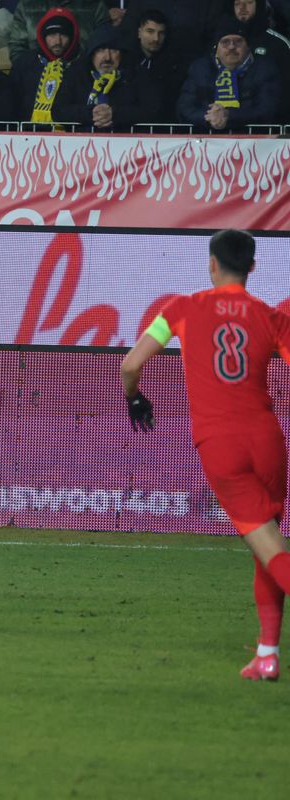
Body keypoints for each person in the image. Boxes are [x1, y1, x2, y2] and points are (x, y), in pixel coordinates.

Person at [120, 229, 290, 681]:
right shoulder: (271, 317)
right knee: (267, 548)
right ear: (251, 268)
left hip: (223, 447)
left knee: (272, 552)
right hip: (269, 442)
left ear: (212, 264)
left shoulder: (181, 308)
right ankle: (267, 654)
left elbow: (130, 365)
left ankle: (268, 654)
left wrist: (135, 398)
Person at [176, 17, 281, 132]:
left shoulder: (264, 68)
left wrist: (228, 116)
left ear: (248, 46)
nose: (232, 47)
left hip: (251, 142)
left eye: (238, 42)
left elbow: (267, 110)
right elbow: (184, 108)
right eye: (225, 42)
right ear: (216, 48)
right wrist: (210, 117)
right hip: (206, 140)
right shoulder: (200, 68)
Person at [51, 23, 139, 130]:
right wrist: (91, 113)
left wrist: (115, 114)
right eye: (100, 50)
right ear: (92, 54)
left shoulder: (135, 75)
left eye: (113, 50)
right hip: (82, 144)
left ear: (121, 54)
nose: (107, 57)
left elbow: (152, 111)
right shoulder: (75, 73)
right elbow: (58, 111)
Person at [9, 6, 79, 124]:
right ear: (42, 37)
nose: (58, 41)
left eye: (64, 35)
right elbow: (11, 103)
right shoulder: (24, 63)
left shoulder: (81, 66)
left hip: (70, 137)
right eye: (52, 35)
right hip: (25, 134)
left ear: (72, 37)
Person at [232, 0, 290, 120]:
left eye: (249, 2)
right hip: (228, 125)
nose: (242, 8)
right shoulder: (223, 43)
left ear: (260, 6)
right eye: (237, 3)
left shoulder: (279, 44)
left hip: (270, 124)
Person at [127, 8, 183, 126]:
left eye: (161, 33)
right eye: (150, 31)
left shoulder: (174, 66)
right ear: (139, 32)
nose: (156, 38)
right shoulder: (126, 63)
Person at [6, 0, 106, 62]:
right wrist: (33, 72)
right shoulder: (27, 5)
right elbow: (17, 48)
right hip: (35, 78)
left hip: (83, 78)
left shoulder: (94, 5)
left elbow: (105, 46)